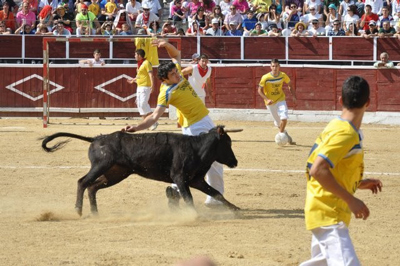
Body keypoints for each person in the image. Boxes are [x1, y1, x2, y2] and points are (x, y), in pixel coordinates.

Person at [122, 39, 226, 208]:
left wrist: (166, 45)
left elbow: (176, 55)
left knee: (212, 161)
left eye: (176, 73)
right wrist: (137, 127)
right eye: (173, 75)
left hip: (205, 121)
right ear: (164, 79)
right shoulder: (166, 93)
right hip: (195, 127)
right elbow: (155, 116)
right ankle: (180, 190)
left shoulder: (176, 74)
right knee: (203, 162)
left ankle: (205, 197)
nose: (178, 75)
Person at [301, 76, 383, 266]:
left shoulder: (336, 126)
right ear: (368, 103)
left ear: (340, 100)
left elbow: (325, 168)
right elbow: (318, 169)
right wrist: (351, 199)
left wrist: (358, 183)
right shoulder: (346, 133)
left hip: (323, 208)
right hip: (329, 212)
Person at [257, 59, 296, 145]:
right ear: (270, 67)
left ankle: (280, 136)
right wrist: (267, 99)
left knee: (284, 118)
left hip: (280, 99)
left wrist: (293, 95)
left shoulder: (283, 75)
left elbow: (290, 85)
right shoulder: (265, 77)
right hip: (270, 103)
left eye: (276, 66)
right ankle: (285, 134)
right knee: (279, 123)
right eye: (273, 66)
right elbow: (259, 90)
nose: (275, 68)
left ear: (279, 66)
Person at [127, 49, 158, 131]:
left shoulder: (146, 63)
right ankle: (147, 123)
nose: (134, 56)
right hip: (140, 86)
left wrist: (153, 86)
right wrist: (133, 80)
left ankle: (153, 121)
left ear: (139, 55)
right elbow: (139, 75)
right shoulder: (139, 64)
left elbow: (151, 75)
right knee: (139, 104)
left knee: (143, 104)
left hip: (145, 86)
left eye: (135, 55)